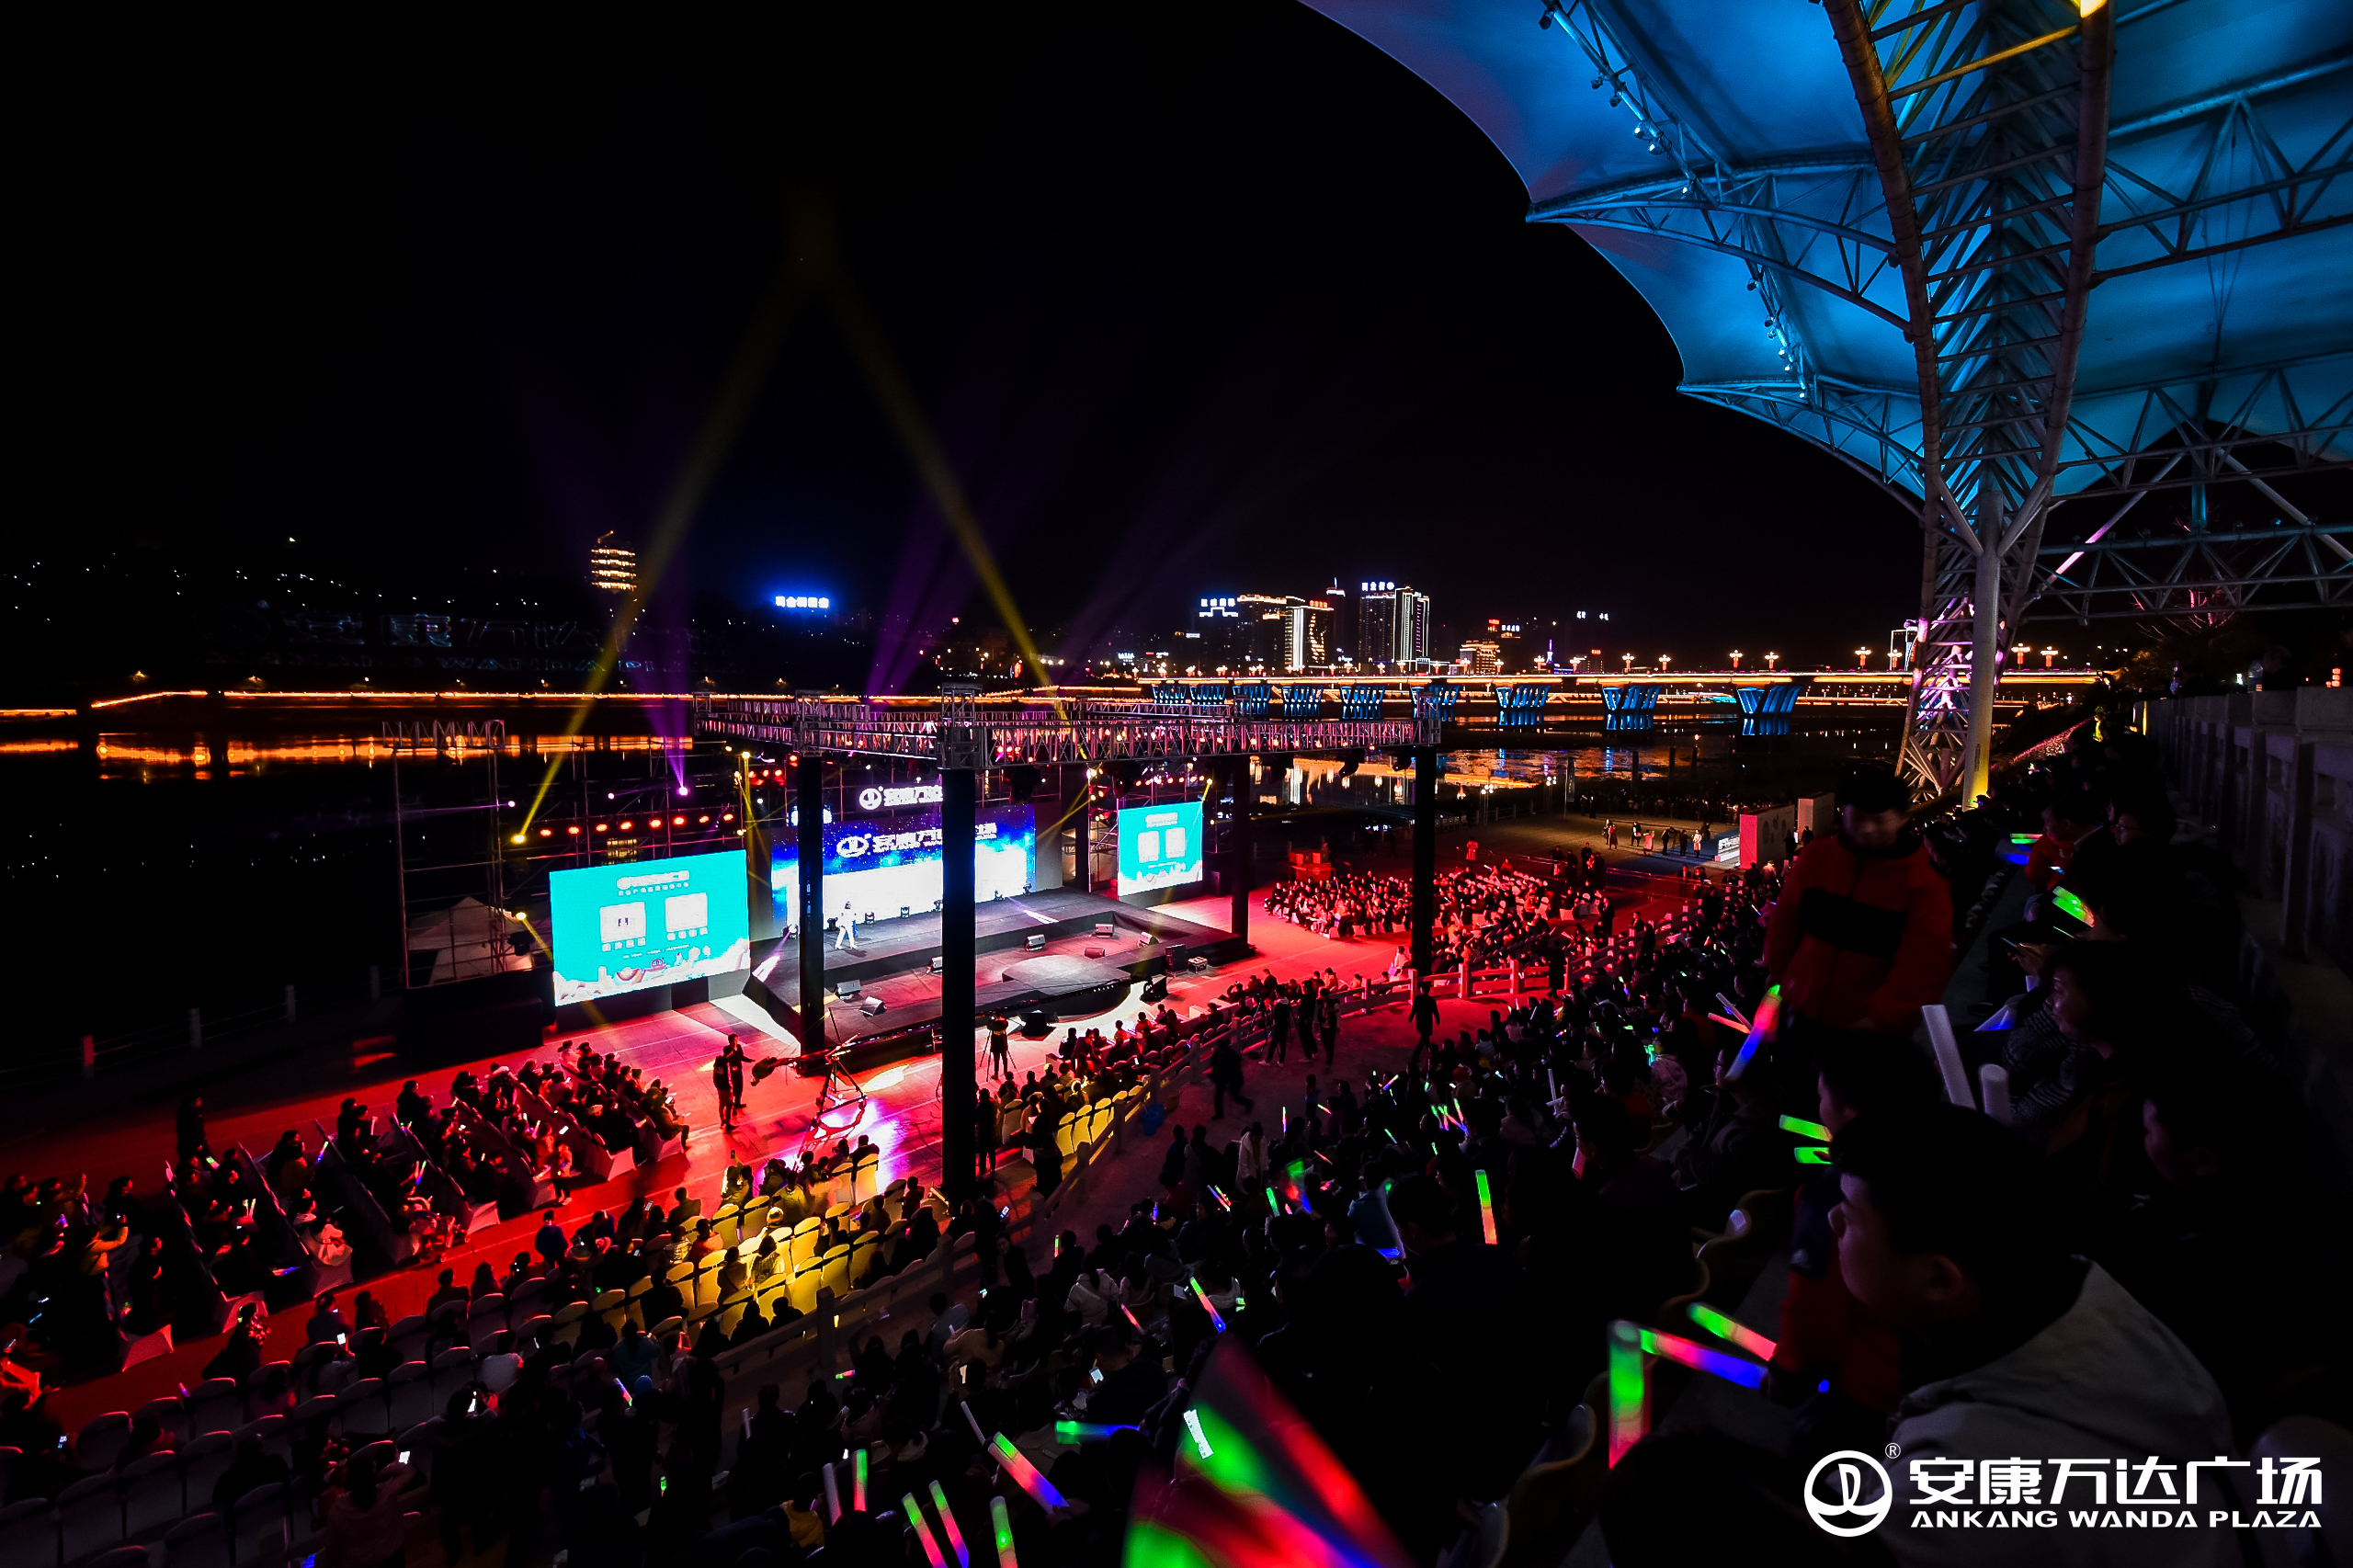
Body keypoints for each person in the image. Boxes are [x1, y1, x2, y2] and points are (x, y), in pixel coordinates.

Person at [1831, 1105, 2234, 1565]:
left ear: (1939, 1279)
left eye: (1850, 1217)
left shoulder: (1954, 1483)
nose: (1832, 1222)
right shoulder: (2087, 1295)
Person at [1762, 766, 1953, 1049]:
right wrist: (1778, 975)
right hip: (1800, 1007)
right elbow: (1786, 921)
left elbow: (1924, 964)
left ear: (1903, 819)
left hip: (1865, 1030)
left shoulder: (1923, 885)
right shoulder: (1817, 858)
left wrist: (1881, 1018)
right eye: (1858, 819)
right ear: (1844, 814)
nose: (1866, 829)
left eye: (1878, 821)